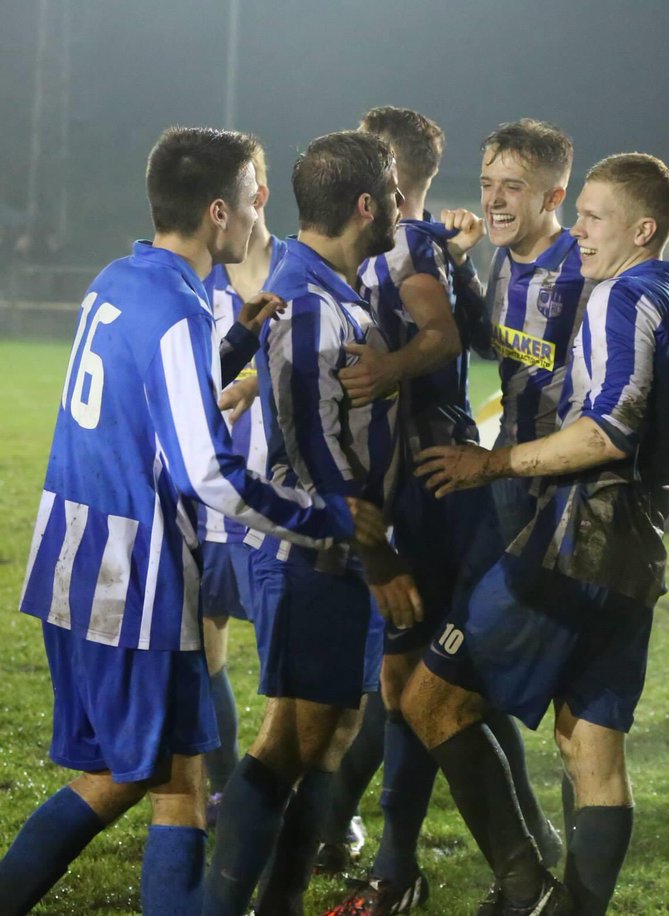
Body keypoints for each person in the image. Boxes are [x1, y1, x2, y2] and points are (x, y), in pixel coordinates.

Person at [0, 126, 377, 916]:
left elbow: (152, 396)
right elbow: (208, 472)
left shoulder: (119, 278)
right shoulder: (176, 308)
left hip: (72, 554)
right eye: (250, 197)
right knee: (144, 778)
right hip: (131, 577)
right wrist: (321, 519)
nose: (257, 210)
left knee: (173, 774)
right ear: (216, 212)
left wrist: (235, 342)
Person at [407, 152, 669, 915]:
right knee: (590, 749)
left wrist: (493, 464)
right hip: (636, 557)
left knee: (428, 700)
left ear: (642, 229)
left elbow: (608, 430)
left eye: (594, 218)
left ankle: (524, 880)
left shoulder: (620, 296)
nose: (580, 232)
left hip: (575, 546)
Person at [322, 109, 562, 915]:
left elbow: (446, 336)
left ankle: (393, 868)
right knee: (424, 687)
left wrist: (389, 367)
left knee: (410, 684)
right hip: (424, 484)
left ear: (391, 167)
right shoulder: (405, 242)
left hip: (425, 488)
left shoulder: (407, 243)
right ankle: (505, 847)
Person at [203, 129, 418, 916]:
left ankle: (279, 902)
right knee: (289, 740)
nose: (401, 206)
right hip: (318, 554)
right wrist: (378, 555)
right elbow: (312, 447)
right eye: (394, 194)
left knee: (329, 730)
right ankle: (234, 906)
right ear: (367, 206)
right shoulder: (309, 301)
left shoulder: (331, 284)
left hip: (336, 551)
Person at [198, 138, 287, 826]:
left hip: (278, 507)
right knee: (204, 642)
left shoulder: (300, 273)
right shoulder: (192, 287)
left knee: (296, 674)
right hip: (205, 504)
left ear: (259, 199)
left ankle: (321, 807)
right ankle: (228, 787)